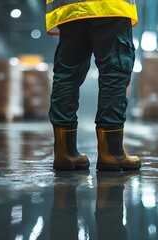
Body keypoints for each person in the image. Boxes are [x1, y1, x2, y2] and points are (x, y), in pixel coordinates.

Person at [46, 0, 141, 171]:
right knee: (114, 70)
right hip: (109, 6)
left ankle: (64, 152)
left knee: (67, 73)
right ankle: (111, 153)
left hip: (68, 8)